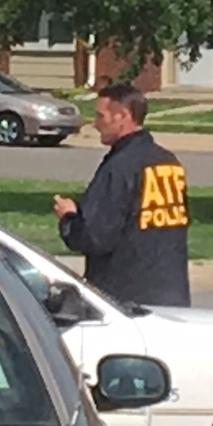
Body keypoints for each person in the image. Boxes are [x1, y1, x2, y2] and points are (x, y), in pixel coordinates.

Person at [53, 82, 190, 307]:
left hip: (126, 299)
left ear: (122, 116)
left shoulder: (120, 168)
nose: (95, 125)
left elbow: (95, 238)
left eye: (100, 116)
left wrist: (69, 218)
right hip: (172, 294)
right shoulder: (168, 162)